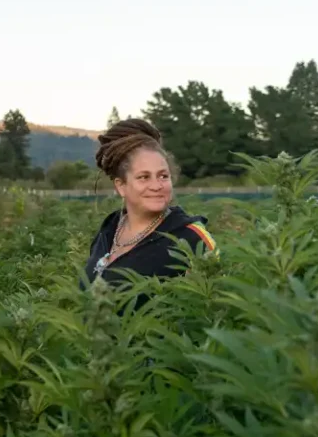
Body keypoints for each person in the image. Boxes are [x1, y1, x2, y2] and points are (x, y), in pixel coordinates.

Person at [81, 118, 217, 306]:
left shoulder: (192, 237)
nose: (156, 186)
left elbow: (217, 304)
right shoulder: (110, 227)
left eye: (163, 176)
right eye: (144, 177)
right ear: (121, 186)